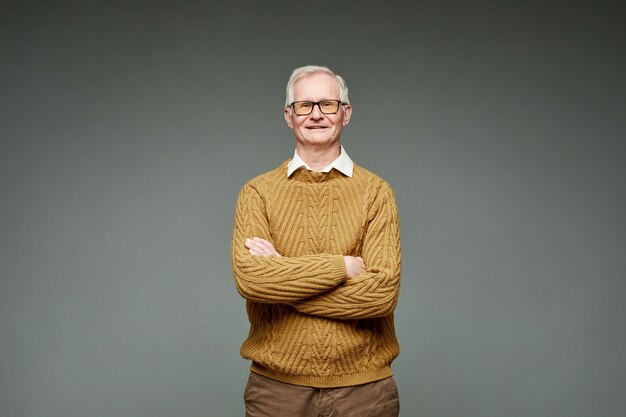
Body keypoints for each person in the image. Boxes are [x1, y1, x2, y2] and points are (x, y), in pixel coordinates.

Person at [231, 65, 401, 416]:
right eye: (305, 105)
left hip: (365, 392)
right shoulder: (257, 193)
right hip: (276, 391)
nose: (317, 115)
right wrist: (340, 267)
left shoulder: (376, 192)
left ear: (345, 113)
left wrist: (284, 276)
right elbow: (252, 280)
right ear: (288, 116)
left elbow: (380, 294)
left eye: (328, 104)